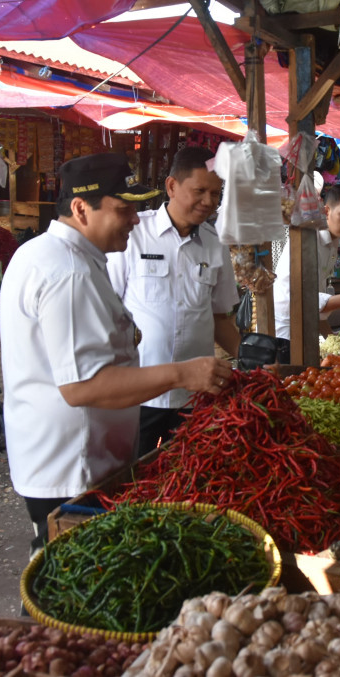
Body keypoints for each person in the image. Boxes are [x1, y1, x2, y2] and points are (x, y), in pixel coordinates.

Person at [0, 153, 231, 552]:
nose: (135, 220)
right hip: (74, 465)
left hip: (70, 457)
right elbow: (83, 386)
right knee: (73, 574)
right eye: (123, 210)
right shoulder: (68, 272)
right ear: (80, 209)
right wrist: (182, 374)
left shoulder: (56, 256)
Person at [106, 147, 241, 457]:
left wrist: (248, 356)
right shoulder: (134, 234)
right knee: (131, 476)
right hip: (139, 393)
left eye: (216, 193)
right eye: (200, 191)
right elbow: (108, 306)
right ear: (171, 186)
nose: (209, 201)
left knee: (187, 477)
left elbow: (221, 318)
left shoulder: (215, 245)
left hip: (195, 396)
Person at [272, 183, 340, 341]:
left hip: (305, 327)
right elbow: (303, 299)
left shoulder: (332, 242)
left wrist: (331, 339)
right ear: (327, 211)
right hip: (283, 332)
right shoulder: (308, 241)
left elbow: (316, 304)